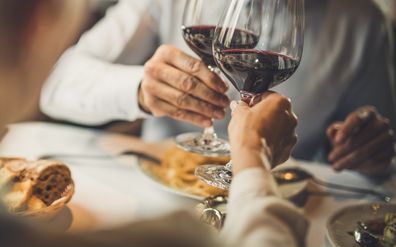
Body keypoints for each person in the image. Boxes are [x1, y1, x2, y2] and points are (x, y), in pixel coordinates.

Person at [0, 0, 307, 247]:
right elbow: (57, 85)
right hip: (156, 197)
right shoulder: (171, 239)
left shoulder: (354, 18)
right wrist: (140, 89)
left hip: (303, 199)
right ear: (36, 22)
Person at [40, 0, 396, 176]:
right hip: (162, 187)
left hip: (280, 203)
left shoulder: (363, 21)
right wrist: (140, 90)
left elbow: (379, 147)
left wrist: (368, 149)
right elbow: (56, 86)